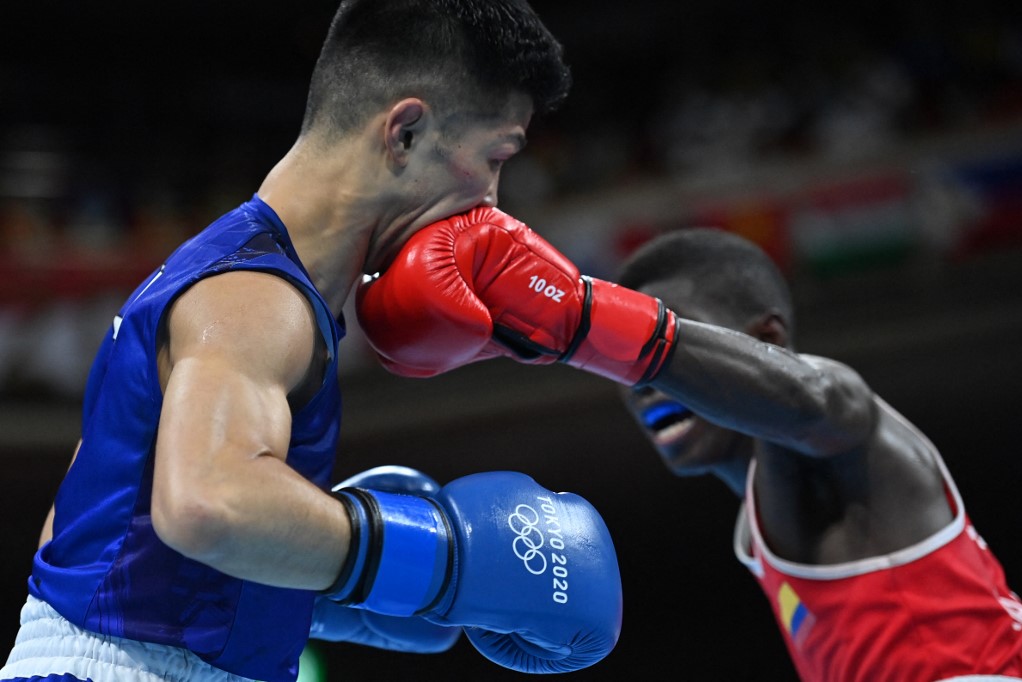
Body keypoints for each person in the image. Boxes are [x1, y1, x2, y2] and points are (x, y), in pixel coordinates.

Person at [1, 3, 627, 681]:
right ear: (406, 133)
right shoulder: (254, 296)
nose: (493, 205)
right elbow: (207, 504)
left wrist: (295, 578)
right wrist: (437, 559)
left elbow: (79, 534)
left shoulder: (238, 274)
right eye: (494, 157)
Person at [354, 209, 1022, 680]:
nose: (640, 384)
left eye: (660, 355)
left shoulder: (852, 443)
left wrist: (584, 321)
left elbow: (820, 402)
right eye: (625, 372)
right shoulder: (767, 512)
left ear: (767, 342)